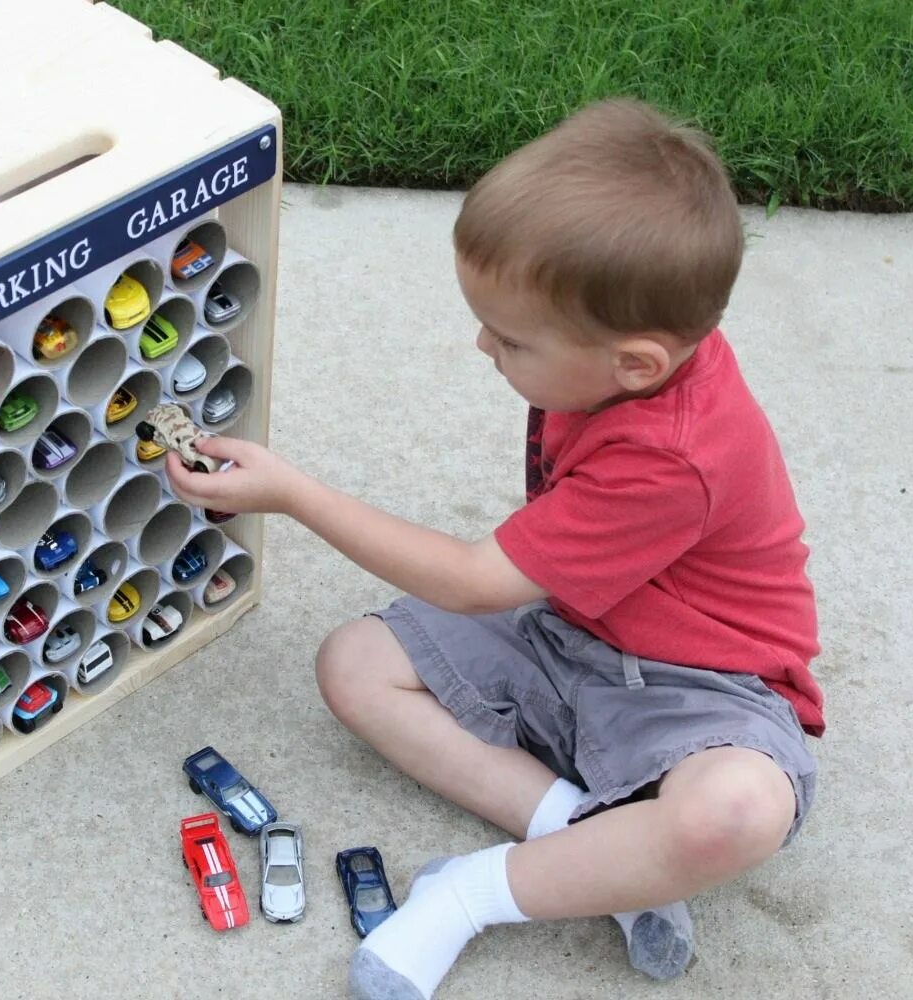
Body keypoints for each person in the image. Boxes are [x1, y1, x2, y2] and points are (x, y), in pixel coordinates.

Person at [165, 98, 822, 999]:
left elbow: (475, 582)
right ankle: (583, 846)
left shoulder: (674, 455)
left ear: (637, 363)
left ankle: (473, 893)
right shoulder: (633, 351)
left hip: (700, 686)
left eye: (511, 339)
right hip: (568, 630)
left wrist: (294, 494)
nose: (482, 345)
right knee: (355, 664)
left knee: (737, 814)